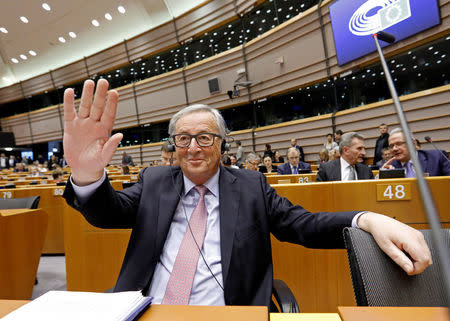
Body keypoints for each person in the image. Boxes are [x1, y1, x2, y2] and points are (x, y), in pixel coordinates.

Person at [62, 79, 431, 308]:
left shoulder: (252, 187)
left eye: (204, 137)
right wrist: (86, 172)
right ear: (174, 145)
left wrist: (365, 218)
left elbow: (303, 224)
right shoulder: (155, 180)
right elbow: (106, 213)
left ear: (222, 144)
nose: (193, 148)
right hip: (150, 310)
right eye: (183, 139)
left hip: (228, 312)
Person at [382, 128, 450, 177]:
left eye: (399, 144)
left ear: (413, 143)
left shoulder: (437, 157)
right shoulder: (389, 167)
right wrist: (383, 176)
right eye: (391, 146)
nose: (394, 149)